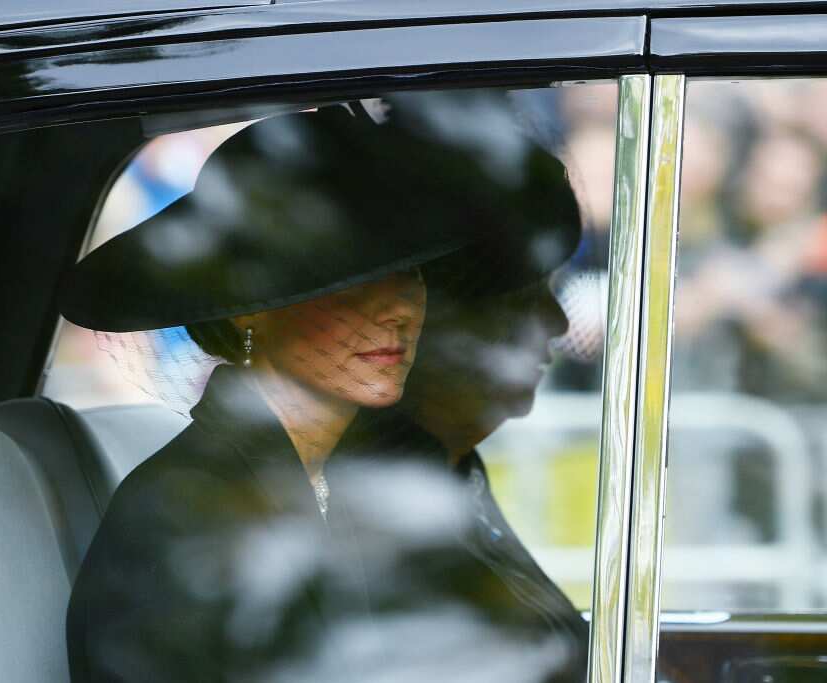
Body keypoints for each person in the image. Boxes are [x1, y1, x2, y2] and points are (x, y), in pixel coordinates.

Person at [61, 93, 586, 682]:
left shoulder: (333, 479)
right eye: (347, 280)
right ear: (248, 306)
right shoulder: (185, 523)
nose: (396, 308)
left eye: (410, 271)